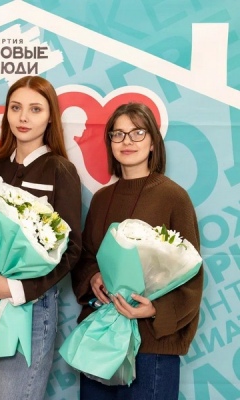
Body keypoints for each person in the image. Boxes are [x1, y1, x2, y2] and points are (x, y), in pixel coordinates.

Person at [71, 102, 203, 399]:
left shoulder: (174, 197)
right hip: (101, 339)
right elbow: (86, 257)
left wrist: (156, 309)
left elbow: (192, 272)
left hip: (151, 344)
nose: (127, 141)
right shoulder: (101, 199)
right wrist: (93, 278)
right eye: (118, 134)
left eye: (137, 132)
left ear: (153, 142)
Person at [0, 75, 82, 400]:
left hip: (33, 307)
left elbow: (72, 250)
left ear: (50, 117)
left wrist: (15, 289)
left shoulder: (60, 171)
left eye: (35, 109)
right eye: (16, 108)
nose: (24, 117)